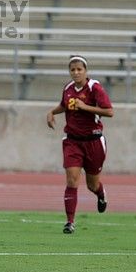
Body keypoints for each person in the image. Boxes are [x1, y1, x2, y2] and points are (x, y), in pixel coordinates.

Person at [46, 55, 114, 234]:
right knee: (72, 179)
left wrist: (86, 107)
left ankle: (101, 194)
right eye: (72, 70)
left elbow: (109, 111)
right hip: (72, 141)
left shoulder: (94, 88)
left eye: (79, 69)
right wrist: (52, 112)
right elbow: (64, 105)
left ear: (86, 71)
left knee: (92, 184)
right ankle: (70, 222)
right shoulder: (68, 88)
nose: (76, 72)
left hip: (93, 141)